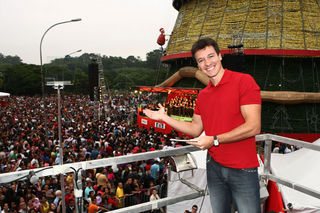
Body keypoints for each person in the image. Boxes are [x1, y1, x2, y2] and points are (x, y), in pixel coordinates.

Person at [143, 37, 261, 212]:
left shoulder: (243, 82)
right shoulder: (203, 95)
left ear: (220, 56)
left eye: (210, 56)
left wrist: (214, 140)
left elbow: (253, 126)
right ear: (198, 65)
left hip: (242, 168)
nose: (207, 63)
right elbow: (195, 129)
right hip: (214, 166)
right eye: (201, 60)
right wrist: (164, 118)